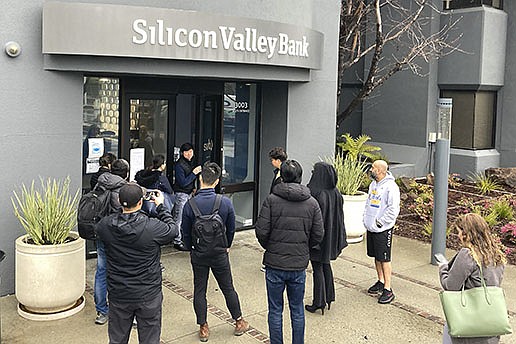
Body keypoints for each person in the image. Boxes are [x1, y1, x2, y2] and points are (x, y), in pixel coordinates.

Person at [96, 183, 179, 344]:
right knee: (149, 339)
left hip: (119, 293)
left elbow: (96, 226)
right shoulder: (151, 228)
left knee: (117, 339)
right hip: (147, 293)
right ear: (141, 202)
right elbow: (173, 229)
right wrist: (161, 206)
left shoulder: (106, 226)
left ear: (119, 201)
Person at [255, 159, 324, 344]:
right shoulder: (312, 203)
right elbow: (318, 235)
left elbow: (261, 231)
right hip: (297, 265)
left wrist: (270, 247)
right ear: (300, 177)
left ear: (282, 177)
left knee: (275, 310)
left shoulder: (271, 200)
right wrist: (304, 249)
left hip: (274, 265)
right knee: (297, 309)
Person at [181, 162, 249, 342]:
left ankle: (203, 327)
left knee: (199, 289)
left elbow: (185, 232)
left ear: (200, 179)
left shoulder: (190, 204)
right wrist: (227, 245)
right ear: (217, 181)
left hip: (199, 254)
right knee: (228, 287)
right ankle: (239, 321)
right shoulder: (225, 202)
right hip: (220, 252)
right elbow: (232, 228)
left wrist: (191, 248)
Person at [439, 213, 507, 344]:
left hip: (468, 323)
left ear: (466, 234)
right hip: (491, 321)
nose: (458, 236)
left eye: (459, 232)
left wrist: (443, 267)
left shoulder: (468, 254)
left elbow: (450, 286)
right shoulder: (497, 255)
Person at [305, 162, 347, 314]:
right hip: (331, 236)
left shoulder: (317, 194)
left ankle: (319, 301)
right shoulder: (335, 193)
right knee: (325, 264)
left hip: (319, 238)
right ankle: (328, 296)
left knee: (317, 267)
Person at [93, 158, 130, 325]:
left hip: (101, 233)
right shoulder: (124, 189)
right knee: (125, 272)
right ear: (126, 173)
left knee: (101, 272)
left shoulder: (100, 182)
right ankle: (126, 311)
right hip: (119, 237)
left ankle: (102, 311)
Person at [363, 159, 400, 304]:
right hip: (371, 227)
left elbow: (393, 209)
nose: (371, 169)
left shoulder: (391, 187)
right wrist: (366, 219)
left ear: (380, 170)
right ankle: (380, 280)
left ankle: (388, 289)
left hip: (383, 229)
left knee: (384, 258)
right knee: (376, 256)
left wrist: (381, 222)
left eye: (373, 167)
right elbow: (368, 203)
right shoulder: (373, 184)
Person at [172, 142, 202, 251]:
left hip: (189, 193)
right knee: (178, 218)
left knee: (189, 217)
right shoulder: (179, 165)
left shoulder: (191, 162)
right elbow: (183, 182)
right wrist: (194, 173)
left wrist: (194, 188)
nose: (189, 154)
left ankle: (186, 238)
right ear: (182, 153)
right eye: (186, 152)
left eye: (191, 152)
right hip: (181, 194)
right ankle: (177, 241)